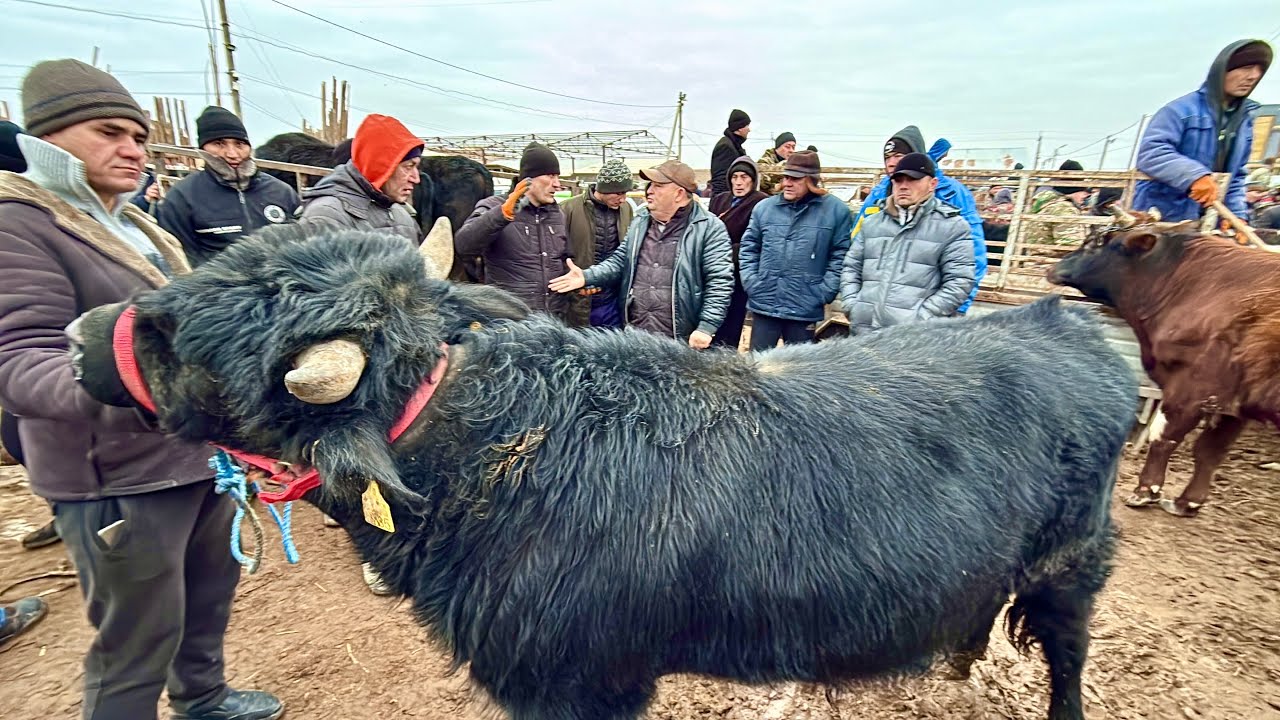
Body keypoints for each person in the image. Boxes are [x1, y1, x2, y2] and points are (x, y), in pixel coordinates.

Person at [0, 58, 281, 720]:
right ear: (48, 138)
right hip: (114, 475)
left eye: (139, 137)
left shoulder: (138, 226)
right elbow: (17, 360)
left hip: (192, 454)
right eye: (108, 133)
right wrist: (147, 390)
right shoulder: (20, 224)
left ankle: (203, 698)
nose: (131, 150)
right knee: (135, 640)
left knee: (208, 598)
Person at [548, 160, 733, 347]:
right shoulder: (641, 221)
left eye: (658, 186)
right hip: (636, 334)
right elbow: (620, 261)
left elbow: (719, 281)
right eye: (650, 184)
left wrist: (706, 327)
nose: (649, 190)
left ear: (679, 194)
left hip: (679, 340)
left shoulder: (709, 229)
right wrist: (587, 276)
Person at [852, 125, 986, 315]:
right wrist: (855, 305)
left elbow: (972, 258)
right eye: (887, 158)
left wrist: (955, 309)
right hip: (875, 313)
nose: (891, 163)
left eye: (898, 156)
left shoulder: (952, 193)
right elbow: (855, 246)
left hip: (923, 320)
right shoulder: (878, 193)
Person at [1134, 39, 1272, 222]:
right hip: (1159, 218)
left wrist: (1236, 216)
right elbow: (1152, 152)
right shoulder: (1180, 111)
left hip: (1206, 220)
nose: (1253, 76)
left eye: (1259, 70)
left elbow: (1236, 176)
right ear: (1222, 71)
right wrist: (1195, 176)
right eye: (1246, 68)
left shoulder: (1243, 123)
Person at [840, 153, 975, 334]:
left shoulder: (952, 226)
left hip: (913, 340)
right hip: (864, 330)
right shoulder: (873, 223)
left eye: (913, 180)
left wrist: (923, 318)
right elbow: (851, 267)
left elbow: (959, 281)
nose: (903, 186)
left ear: (932, 184)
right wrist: (852, 305)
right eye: (898, 180)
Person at [157, 106, 299, 266]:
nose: (232, 154)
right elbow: (178, 261)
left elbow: (301, 246)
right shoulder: (182, 197)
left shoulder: (281, 192)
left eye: (239, 144)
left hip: (280, 286)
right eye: (219, 143)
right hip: (218, 288)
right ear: (203, 148)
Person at [739, 151, 852, 350]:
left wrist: (823, 292)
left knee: (799, 373)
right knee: (757, 371)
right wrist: (753, 282)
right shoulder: (764, 209)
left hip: (805, 307)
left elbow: (840, 256)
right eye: (786, 177)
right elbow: (749, 248)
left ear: (812, 181)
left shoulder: (836, 212)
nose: (787, 183)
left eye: (796, 178)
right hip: (765, 303)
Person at [455, 143, 575, 323]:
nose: (557, 184)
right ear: (528, 179)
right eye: (550, 176)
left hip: (552, 322)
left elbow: (565, 259)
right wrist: (502, 214)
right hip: (511, 323)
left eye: (557, 177)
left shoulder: (557, 214)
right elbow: (464, 245)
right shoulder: (493, 206)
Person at [299, 113, 423, 244]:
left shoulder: (402, 216)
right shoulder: (326, 216)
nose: (416, 179)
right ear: (380, 165)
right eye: (408, 166)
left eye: (416, 167)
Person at [560, 158, 634, 328]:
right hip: (580, 301)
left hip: (614, 301)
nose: (623, 199)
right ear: (603, 189)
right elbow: (557, 254)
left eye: (626, 193)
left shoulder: (627, 210)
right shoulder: (567, 209)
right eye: (618, 193)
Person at [708, 155, 768, 348]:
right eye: (735, 177)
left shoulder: (760, 203)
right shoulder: (719, 201)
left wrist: (722, 250)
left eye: (744, 177)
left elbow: (755, 243)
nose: (739, 182)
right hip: (711, 271)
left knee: (730, 327)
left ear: (753, 180)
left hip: (738, 274)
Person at [1026, 160, 1091, 249]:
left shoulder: (1045, 204)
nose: (1085, 195)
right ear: (1074, 190)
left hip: (1035, 260)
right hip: (1054, 262)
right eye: (1083, 191)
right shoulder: (1064, 209)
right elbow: (1071, 247)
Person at [709, 109, 751, 195]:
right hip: (725, 202)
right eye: (747, 126)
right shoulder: (725, 147)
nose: (749, 130)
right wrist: (723, 202)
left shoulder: (734, 145)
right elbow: (720, 180)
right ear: (739, 128)